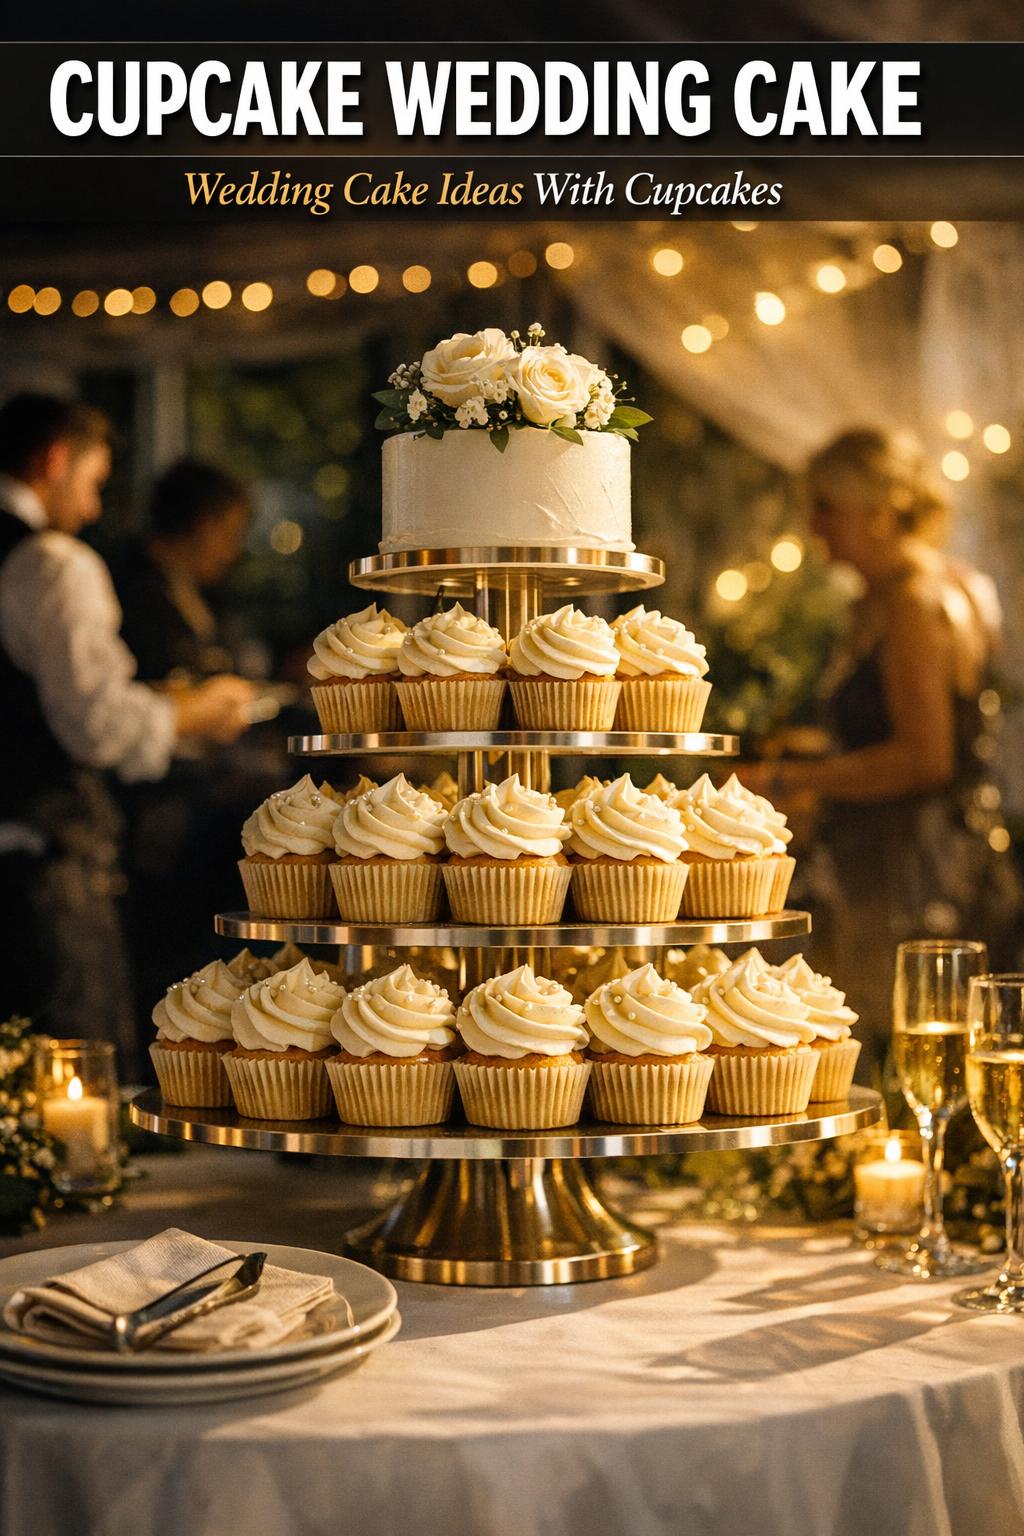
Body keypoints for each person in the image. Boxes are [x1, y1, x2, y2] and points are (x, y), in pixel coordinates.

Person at [744, 427, 1022, 1066]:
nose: (813, 524)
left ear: (876, 509)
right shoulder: (931, 584)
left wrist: (790, 782)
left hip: (914, 872)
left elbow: (927, 759)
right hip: (933, 854)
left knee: (902, 1055)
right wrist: (806, 752)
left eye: (824, 506)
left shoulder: (913, 606)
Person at [0, 393, 254, 1075]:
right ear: (55, 461)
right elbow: (98, 726)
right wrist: (193, 712)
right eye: (92, 485)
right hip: (41, 856)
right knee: (69, 1075)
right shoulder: (51, 562)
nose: (90, 510)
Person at [116, 458, 252, 683]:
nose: (234, 552)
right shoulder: (130, 594)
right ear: (201, 525)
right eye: (230, 534)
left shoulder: (194, 589)